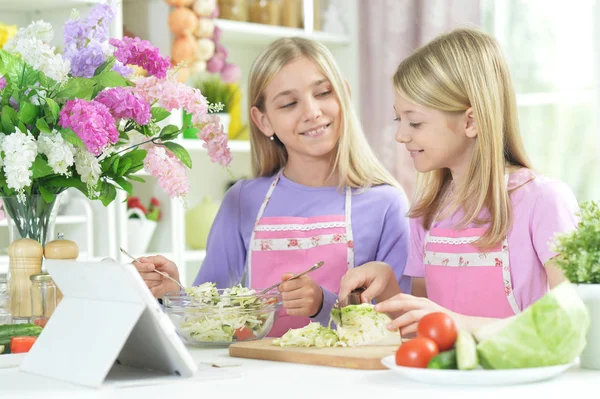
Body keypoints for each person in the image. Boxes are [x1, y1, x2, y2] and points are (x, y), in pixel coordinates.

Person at [134, 37, 411, 337]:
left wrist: (323, 304)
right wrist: (173, 292)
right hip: (256, 376)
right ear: (263, 121)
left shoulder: (387, 204)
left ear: (344, 93)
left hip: (347, 380)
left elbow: (395, 328)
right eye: (289, 103)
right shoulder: (242, 200)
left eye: (323, 93)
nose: (312, 111)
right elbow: (209, 316)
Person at [338, 28, 579, 335]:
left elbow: (569, 322)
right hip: (442, 380)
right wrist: (387, 285)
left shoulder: (543, 200)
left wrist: (458, 324)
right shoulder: (426, 214)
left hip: (518, 381)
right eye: (399, 119)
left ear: (471, 121)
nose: (401, 135)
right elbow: (421, 329)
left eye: (415, 121)